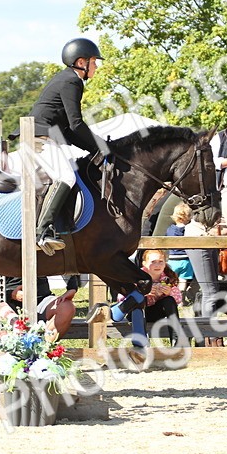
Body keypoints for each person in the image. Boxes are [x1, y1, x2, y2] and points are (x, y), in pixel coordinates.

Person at [26, 37, 104, 253]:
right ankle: (43, 231)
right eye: (94, 62)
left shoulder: (67, 78)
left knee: (71, 172)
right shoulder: (72, 81)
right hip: (40, 136)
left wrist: (95, 147)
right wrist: (101, 147)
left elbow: (69, 129)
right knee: (66, 177)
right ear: (81, 62)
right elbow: (76, 123)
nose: (96, 67)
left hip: (45, 135)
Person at [110, 250, 188, 347]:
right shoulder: (136, 276)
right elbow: (121, 298)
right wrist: (142, 293)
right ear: (145, 264)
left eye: (160, 262)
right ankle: (141, 340)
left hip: (155, 313)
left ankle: (176, 340)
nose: (157, 265)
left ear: (165, 264)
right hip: (134, 312)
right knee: (140, 299)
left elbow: (178, 299)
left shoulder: (167, 277)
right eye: (153, 262)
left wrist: (169, 293)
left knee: (169, 300)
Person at [165, 203, 195, 305]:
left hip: (172, 259)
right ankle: (181, 300)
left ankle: (170, 297)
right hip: (186, 260)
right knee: (183, 281)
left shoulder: (170, 229)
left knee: (171, 281)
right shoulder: (189, 229)